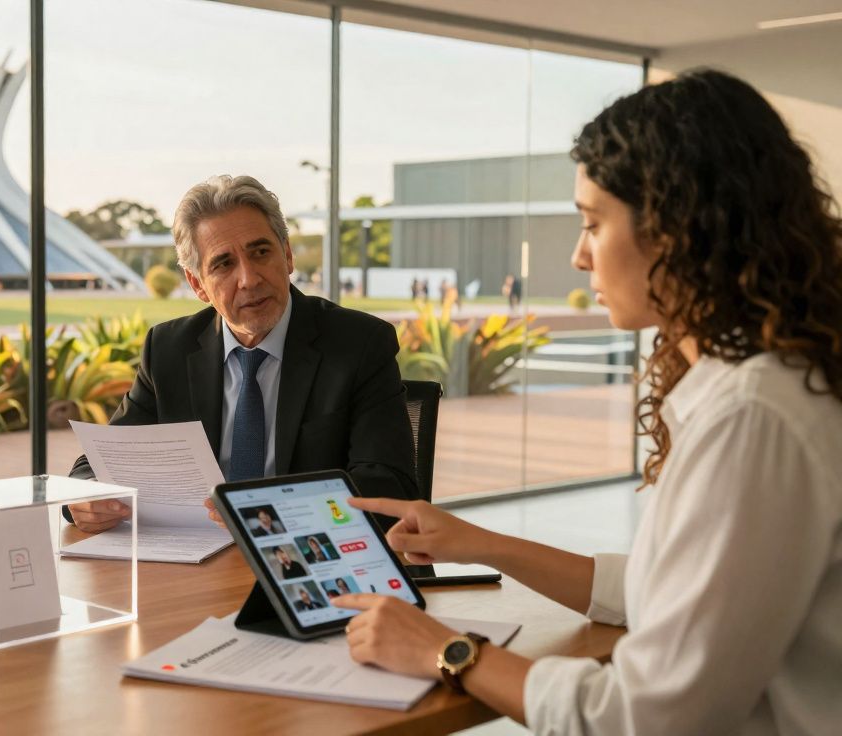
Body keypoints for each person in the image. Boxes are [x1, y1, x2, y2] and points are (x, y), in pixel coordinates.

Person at [331, 70, 842, 734]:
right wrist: (482, 543)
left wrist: (443, 649)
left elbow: (646, 716)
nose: (578, 257)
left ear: (675, 228)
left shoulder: (753, 418)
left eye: (593, 223)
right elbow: (672, 594)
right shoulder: (765, 387)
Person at [66, 175, 418, 532]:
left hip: (312, 559)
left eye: (260, 252)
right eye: (223, 264)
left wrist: (264, 513)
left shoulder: (359, 344)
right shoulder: (169, 349)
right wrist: (88, 498)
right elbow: (99, 463)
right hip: (199, 565)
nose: (249, 278)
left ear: (288, 255)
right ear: (197, 284)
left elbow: (389, 487)